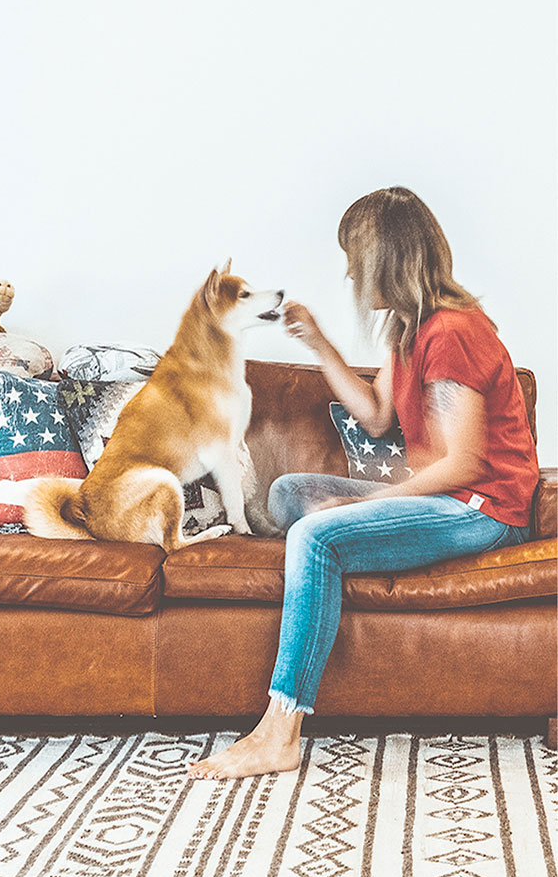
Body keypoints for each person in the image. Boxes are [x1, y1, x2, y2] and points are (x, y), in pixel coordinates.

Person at [187, 186, 539, 781]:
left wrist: (369, 504)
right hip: (446, 498)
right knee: (288, 494)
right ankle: (348, 555)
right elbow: (377, 416)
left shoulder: (453, 332)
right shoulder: (410, 328)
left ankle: (280, 731)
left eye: (356, 257)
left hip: (484, 509)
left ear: (388, 261)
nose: (349, 271)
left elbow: (464, 465)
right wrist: (320, 343)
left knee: (315, 537)